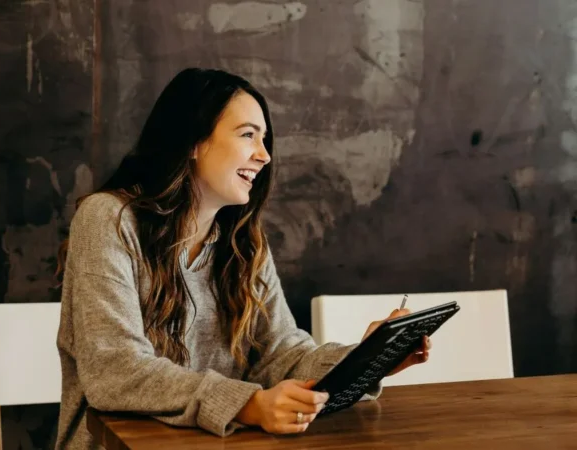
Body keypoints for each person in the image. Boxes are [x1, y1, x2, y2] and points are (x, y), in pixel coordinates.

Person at [53, 67, 431, 450]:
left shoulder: (243, 244)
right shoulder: (108, 219)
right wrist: (249, 405)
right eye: (248, 134)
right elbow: (115, 370)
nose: (264, 156)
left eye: (264, 139)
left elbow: (283, 356)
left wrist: (365, 361)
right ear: (192, 142)